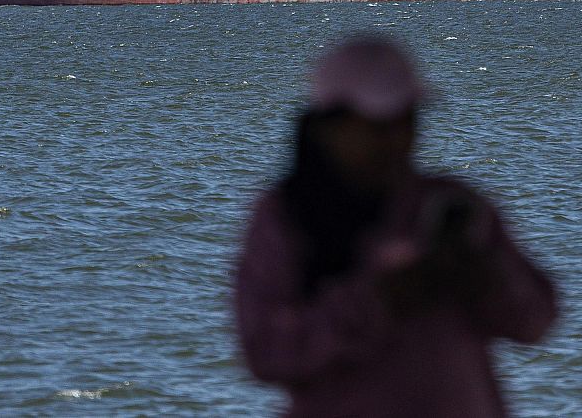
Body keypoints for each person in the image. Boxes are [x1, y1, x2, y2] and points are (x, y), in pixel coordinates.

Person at [232, 35, 558, 417]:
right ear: (329, 126)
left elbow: (535, 320)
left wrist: (481, 277)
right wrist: (376, 301)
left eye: (407, 121)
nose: (397, 139)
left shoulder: (455, 205)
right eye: (378, 126)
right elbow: (266, 352)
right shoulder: (284, 217)